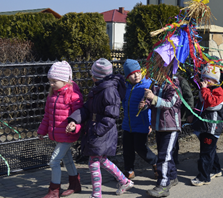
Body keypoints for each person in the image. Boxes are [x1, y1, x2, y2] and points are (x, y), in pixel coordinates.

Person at [67, 58, 134, 198]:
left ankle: (97, 194)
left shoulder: (108, 90)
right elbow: (87, 108)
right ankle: (124, 181)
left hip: (102, 132)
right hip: (97, 130)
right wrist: (74, 119)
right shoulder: (99, 89)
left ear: (97, 77)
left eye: (93, 74)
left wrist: (97, 130)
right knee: (101, 160)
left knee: (93, 162)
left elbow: (111, 115)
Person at [37, 61, 83, 198]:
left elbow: (80, 115)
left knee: (54, 161)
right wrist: (42, 130)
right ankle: (75, 184)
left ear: (65, 80)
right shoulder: (52, 95)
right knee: (67, 158)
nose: (51, 84)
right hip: (58, 134)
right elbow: (47, 115)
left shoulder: (73, 96)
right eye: (50, 80)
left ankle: (54, 190)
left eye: (54, 81)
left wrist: (74, 126)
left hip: (67, 134)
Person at [139, 75, 182, 197]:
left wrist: (153, 98)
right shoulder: (157, 84)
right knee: (165, 153)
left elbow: (169, 103)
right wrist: (145, 104)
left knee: (164, 156)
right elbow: (150, 99)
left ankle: (163, 185)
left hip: (171, 126)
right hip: (159, 126)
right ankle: (172, 176)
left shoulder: (174, 85)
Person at [121, 59, 158, 179]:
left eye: (137, 72)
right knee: (127, 149)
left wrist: (150, 123)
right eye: (132, 74)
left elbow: (152, 103)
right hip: (128, 124)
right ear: (127, 76)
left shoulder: (147, 85)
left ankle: (155, 162)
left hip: (142, 123)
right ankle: (129, 170)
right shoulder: (126, 87)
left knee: (140, 147)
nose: (136, 75)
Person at [190, 64, 223, 186]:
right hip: (203, 126)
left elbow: (210, 104)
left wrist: (204, 90)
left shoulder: (219, 92)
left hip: (212, 128)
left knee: (205, 153)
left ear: (214, 80)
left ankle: (203, 177)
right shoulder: (206, 90)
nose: (204, 81)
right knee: (210, 151)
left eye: (207, 79)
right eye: (203, 78)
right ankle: (216, 169)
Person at [173, 73, 194, 165]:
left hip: (178, 114)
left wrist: (189, 113)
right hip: (168, 115)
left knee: (174, 138)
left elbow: (188, 96)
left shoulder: (180, 80)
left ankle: (174, 158)